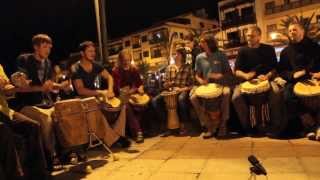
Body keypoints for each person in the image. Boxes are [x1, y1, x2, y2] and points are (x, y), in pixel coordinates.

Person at [15, 34, 70, 171]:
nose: (48, 50)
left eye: (49, 47)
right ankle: (52, 156)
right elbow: (20, 87)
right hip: (28, 105)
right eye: (45, 47)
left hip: (46, 103)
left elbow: (48, 86)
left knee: (64, 115)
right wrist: (40, 87)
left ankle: (69, 152)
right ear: (35, 47)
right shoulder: (24, 60)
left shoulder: (48, 62)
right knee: (46, 119)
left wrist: (61, 86)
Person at [71, 41, 131, 147]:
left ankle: (118, 135)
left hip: (96, 96)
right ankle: (112, 140)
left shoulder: (96, 65)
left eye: (94, 51)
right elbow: (80, 90)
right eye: (90, 51)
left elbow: (109, 77)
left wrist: (110, 90)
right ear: (82, 53)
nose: (93, 53)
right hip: (81, 99)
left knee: (121, 105)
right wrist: (99, 92)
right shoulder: (76, 68)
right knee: (97, 107)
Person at [232, 26, 286, 137]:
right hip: (247, 82)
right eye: (247, 35)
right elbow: (236, 71)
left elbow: (275, 68)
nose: (248, 38)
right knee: (236, 98)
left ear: (259, 37)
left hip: (266, 80)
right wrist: (246, 75)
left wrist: (267, 76)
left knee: (276, 93)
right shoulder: (242, 51)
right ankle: (247, 127)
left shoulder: (269, 49)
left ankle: (275, 126)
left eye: (252, 36)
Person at [0, 64, 49, 179]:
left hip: (5, 112)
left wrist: (16, 85)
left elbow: (6, 90)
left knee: (33, 126)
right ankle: (15, 176)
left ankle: (37, 174)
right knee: (4, 131)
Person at [278, 22, 320, 139]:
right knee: (288, 96)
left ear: (302, 31)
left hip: (315, 78)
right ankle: (311, 126)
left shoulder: (315, 47)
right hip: (295, 81)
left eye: (295, 30)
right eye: (290, 30)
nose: (292, 32)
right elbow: (282, 71)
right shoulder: (285, 52)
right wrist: (292, 75)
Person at [190, 33, 232, 139]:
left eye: (203, 41)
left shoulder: (221, 55)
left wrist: (220, 76)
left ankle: (223, 126)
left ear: (209, 43)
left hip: (221, 83)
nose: (200, 43)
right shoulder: (199, 57)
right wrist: (201, 81)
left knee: (226, 93)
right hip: (206, 85)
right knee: (193, 97)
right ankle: (209, 126)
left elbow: (228, 73)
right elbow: (197, 75)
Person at [152, 46, 194, 136]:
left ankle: (185, 125)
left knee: (181, 99)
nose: (175, 56)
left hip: (183, 90)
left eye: (177, 54)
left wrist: (181, 89)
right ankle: (166, 125)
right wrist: (167, 84)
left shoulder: (187, 67)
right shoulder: (169, 68)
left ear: (182, 56)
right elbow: (164, 84)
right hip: (170, 91)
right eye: (175, 54)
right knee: (155, 101)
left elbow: (192, 85)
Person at [112, 49, 146, 143]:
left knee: (146, 102)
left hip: (132, 93)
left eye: (128, 60)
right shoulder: (116, 71)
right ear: (120, 60)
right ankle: (138, 132)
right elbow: (117, 89)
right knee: (127, 106)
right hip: (121, 96)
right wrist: (129, 92)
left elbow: (139, 83)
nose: (126, 62)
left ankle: (141, 130)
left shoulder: (133, 69)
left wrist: (140, 89)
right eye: (124, 60)